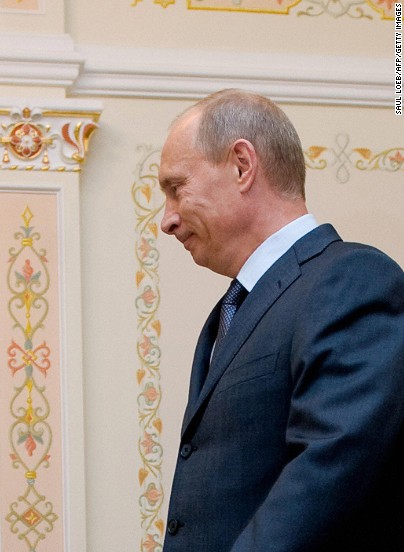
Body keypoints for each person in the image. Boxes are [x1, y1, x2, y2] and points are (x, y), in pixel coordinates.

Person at [158, 89, 404, 551]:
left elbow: (329, 468)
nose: (167, 219)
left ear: (242, 166)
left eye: (176, 188)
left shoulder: (351, 279)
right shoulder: (235, 308)